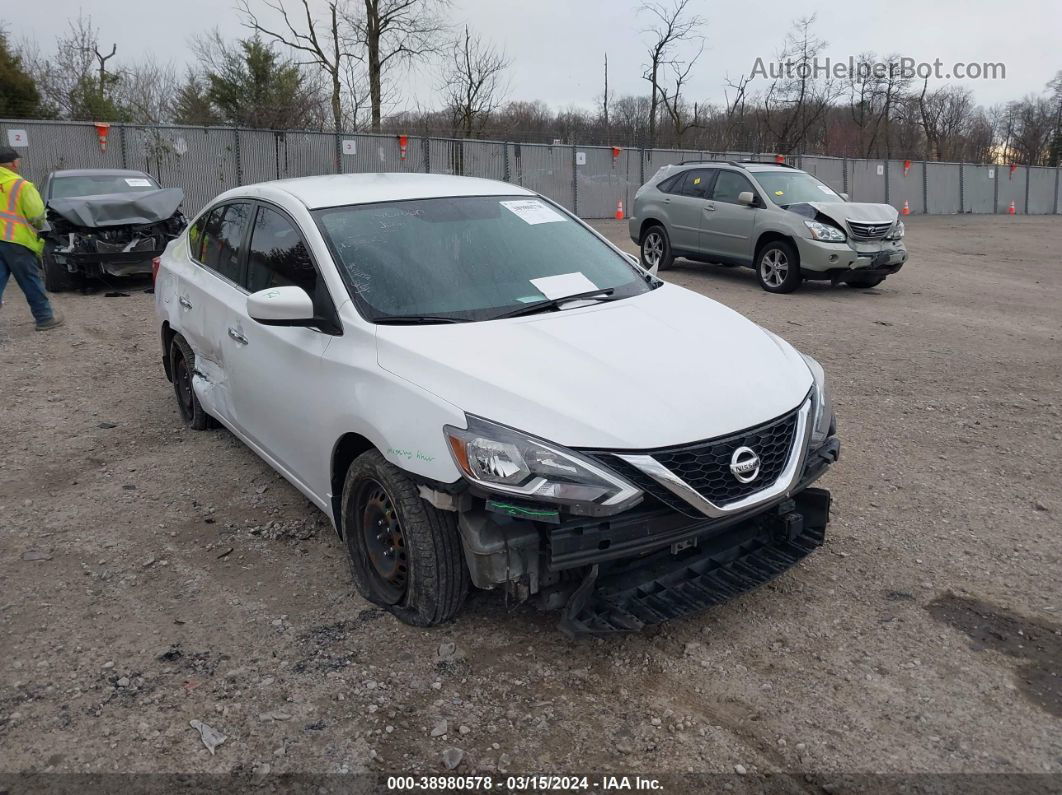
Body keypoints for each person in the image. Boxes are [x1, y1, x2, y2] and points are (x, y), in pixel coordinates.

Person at [0, 146, 63, 330]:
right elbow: (37, 215)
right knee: (29, 279)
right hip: (16, 241)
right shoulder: (21, 185)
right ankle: (44, 318)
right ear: (13, 163)